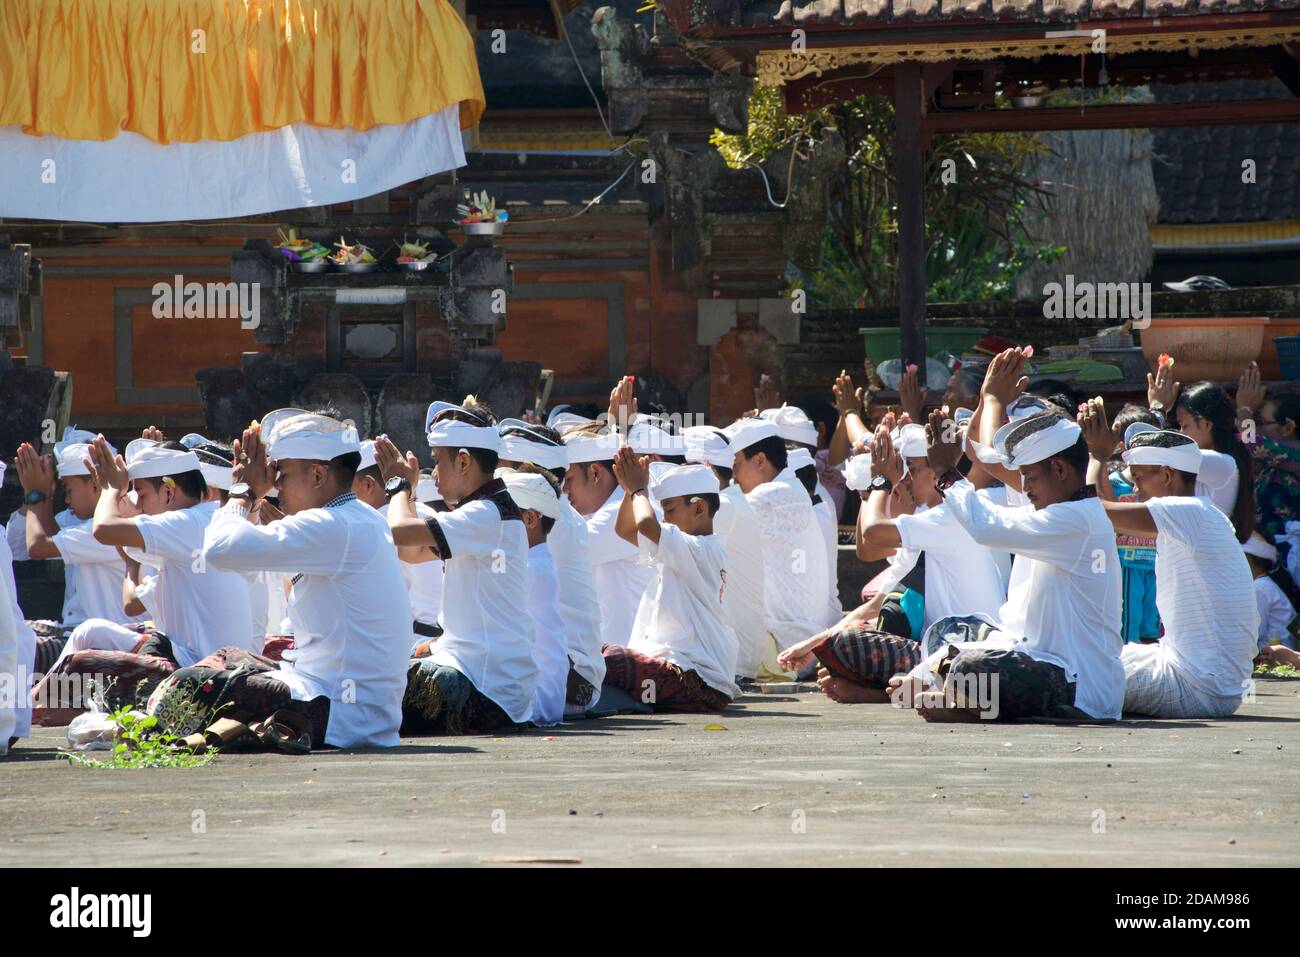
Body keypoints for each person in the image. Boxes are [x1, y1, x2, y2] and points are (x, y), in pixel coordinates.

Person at [155, 409, 413, 749]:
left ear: (319, 476)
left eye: (284, 474)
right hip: (357, 710)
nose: (275, 486)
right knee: (230, 656)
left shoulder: (331, 524)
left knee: (186, 685)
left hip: (339, 715)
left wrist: (243, 491)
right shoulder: (359, 517)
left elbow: (220, 550)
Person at [892, 355, 1125, 722]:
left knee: (970, 666)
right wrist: (989, 397)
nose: (1024, 486)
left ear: (1060, 469)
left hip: (1079, 690)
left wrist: (945, 471)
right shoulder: (1054, 512)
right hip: (1038, 663)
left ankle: (960, 697)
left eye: (1029, 477)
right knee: (952, 638)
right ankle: (952, 689)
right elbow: (985, 457)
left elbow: (986, 527)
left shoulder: (1076, 521)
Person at [30, 436, 257, 719]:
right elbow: (131, 587)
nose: (138, 504)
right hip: (188, 660)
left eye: (142, 494)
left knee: (83, 662)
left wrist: (112, 489)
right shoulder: (198, 520)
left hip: (202, 676)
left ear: (169, 492)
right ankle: (30, 707)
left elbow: (104, 529)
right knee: (91, 632)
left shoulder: (190, 522)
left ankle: (27, 711)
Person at [1079, 400, 1258, 718]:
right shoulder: (1201, 514)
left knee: (1076, 678)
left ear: (1166, 475)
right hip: (1204, 679)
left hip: (1199, 689)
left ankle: (984, 689)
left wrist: (1097, 457)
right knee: (1086, 655)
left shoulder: (1187, 512)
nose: (1134, 488)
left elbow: (1096, 513)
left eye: (1139, 477)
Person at [379, 402, 535, 735]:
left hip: (486, 689)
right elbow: (409, 551)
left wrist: (398, 487)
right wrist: (406, 494)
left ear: (463, 461)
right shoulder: (484, 511)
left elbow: (399, 531)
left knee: (368, 696)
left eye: (437, 461)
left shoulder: (487, 514)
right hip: (483, 679)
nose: (433, 474)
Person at [601, 450, 737, 712]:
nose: (666, 519)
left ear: (699, 508)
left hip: (699, 682)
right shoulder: (685, 547)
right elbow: (626, 529)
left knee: (609, 661)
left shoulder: (701, 550)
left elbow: (645, 524)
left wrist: (638, 490)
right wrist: (630, 492)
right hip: (682, 676)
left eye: (671, 510)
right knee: (590, 656)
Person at [498, 421, 605, 712]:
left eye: (503, 467)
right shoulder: (559, 514)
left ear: (527, 470)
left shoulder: (547, 519)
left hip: (572, 678)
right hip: (578, 673)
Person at [15, 436, 146, 638]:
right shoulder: (74, 519)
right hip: (81, 633)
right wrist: (40, 494)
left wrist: (36, 494)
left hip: (114, 639)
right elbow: (19, 548)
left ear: (95, 486)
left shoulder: (113, 527)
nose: (66, 499)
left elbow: (38, 546)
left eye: (68, 490)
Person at [727, 417, 827, 681]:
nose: (732, 475)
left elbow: (702, 521)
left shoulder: (770, 497)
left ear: (760, 460)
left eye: (735, 464)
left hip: (785, 647)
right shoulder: (787, 490)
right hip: (794, 643)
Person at [683, 425, 766, 681]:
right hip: (732, 656)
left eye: (683, 468)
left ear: (706, 469)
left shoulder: (725, 506)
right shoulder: (728, 502)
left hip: (733, 662)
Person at [563, 425, 651, 647]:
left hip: (629, 663)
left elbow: (569, 551)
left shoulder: (623, 509)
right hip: (614, 658)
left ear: (594, 473)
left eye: (568, 479)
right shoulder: (604, 510)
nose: (564, 490)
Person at [352, 438, 444, 649]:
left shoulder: (372, 524)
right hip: (434, 640)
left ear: (368, 484)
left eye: (347, 489)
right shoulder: (427, 512)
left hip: (405, 645)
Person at [1150, 362, 1254, 541]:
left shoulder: (1221, 463)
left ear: (1206, 424)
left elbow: (1153, 451)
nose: (1181, 433)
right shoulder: (1212, 462)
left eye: (1184, 426)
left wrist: (1157, 408)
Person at [497, 468, 568, 727]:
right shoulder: (536, 563)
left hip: (531, 703)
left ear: (529, 519)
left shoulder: (529, 569)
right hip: (542, 700)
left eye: (503, 513)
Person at [1096, 407, 1162, 644]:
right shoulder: (1113, 482)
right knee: (1128, 630)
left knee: (1151, 629)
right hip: (1127, 563)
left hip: (1155, 563)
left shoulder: (1163, 481)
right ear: (1122, 447)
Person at [1244, 532, 1296, 651]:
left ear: (1249, 560)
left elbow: (1255, 633)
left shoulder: (1258, 588)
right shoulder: (1263, 584)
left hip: (1277, 655)